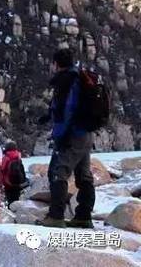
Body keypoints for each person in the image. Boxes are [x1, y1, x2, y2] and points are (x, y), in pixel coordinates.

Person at [37, 49, 95, 229]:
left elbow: (67, 109)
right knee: (84, 175)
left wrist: (61, 135)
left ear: (56, 63)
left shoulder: (66, 80)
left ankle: (56, 216)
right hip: (86, 133)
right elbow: (65, 107)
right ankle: (84, 217)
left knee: (57, 171)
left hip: (72, 134)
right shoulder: (80, 77)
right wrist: (49, 116)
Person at [1, 142, 27, 207]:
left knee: (10, 201)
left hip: (8, 183)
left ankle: (10, 215)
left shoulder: (6, 157)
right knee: (17, 201)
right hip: (18, 182)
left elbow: (2, 169)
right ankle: (17, 215)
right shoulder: (18, 156)